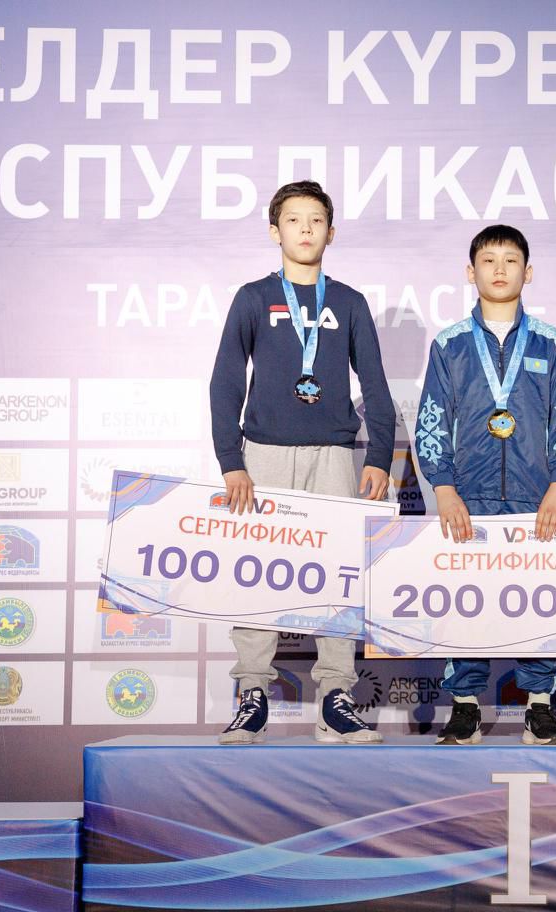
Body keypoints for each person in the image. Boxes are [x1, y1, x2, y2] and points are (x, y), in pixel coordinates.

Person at [210, 180, 395, 745]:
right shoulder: (253, 297)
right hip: (263, 455)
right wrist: (231, 460)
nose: (306, 229)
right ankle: (252, 694)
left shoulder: (349, 302)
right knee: (256, 574)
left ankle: (336, 696)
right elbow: (225, 380)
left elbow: (376, 384)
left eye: (316, 220)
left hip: (334, 456)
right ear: (276, 231)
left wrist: (379, 455)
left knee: (338, 574)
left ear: (331, 233)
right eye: (294, 219)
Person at [414, 225, 556, 746]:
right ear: (471, 272)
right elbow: (431, 420)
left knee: (539, 601)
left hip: (538, 497)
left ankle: (540, 707)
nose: (499, 269)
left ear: (527, 272)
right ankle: (465, 707)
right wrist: (444, 487)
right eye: (488, 260)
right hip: (469, 496)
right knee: (467, 603)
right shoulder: (450, 344)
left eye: (511, 260)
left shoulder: (551, 343)